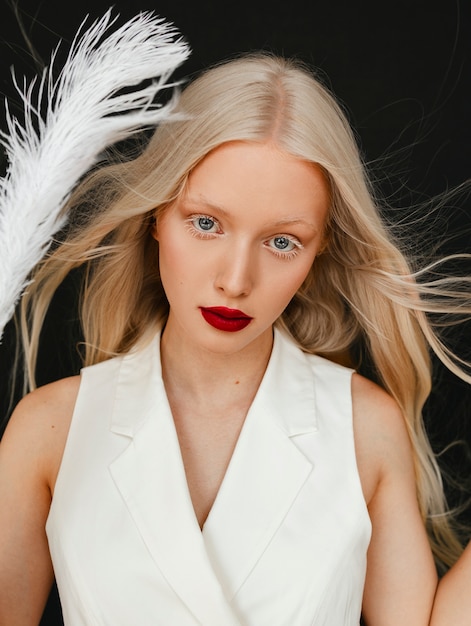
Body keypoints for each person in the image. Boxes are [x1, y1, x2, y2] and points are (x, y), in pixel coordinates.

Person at [0, 13, 470, 626]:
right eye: (206, 224)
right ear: (156, 217)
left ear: (319, 249)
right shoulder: (49, 433)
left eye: (282, 242)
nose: (235, 280)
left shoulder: (362, 428)